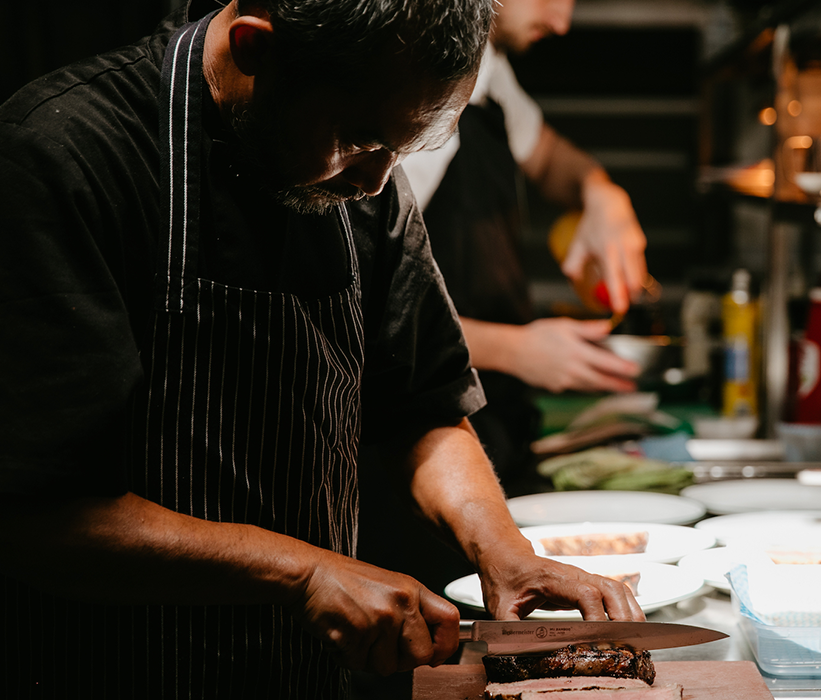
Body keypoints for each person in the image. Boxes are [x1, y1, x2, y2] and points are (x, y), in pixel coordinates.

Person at [0, 0, 642, 697]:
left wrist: (506, 553)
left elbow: (422, 404)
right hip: (120, 673)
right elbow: (40, 514)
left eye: (401, 150)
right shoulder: (59, 157)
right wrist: (303, 571)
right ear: (254, 49)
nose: (374, 181)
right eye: (360, 138)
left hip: (302, 676)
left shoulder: (364, 175)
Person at [398, 0, 648, 484]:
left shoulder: (490, 69)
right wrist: (516, 350)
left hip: (491, 421)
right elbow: (359, 310)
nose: (562, 22)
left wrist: (601, 192)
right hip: (421, 442)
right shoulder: (420, 86)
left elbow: (551, 159)